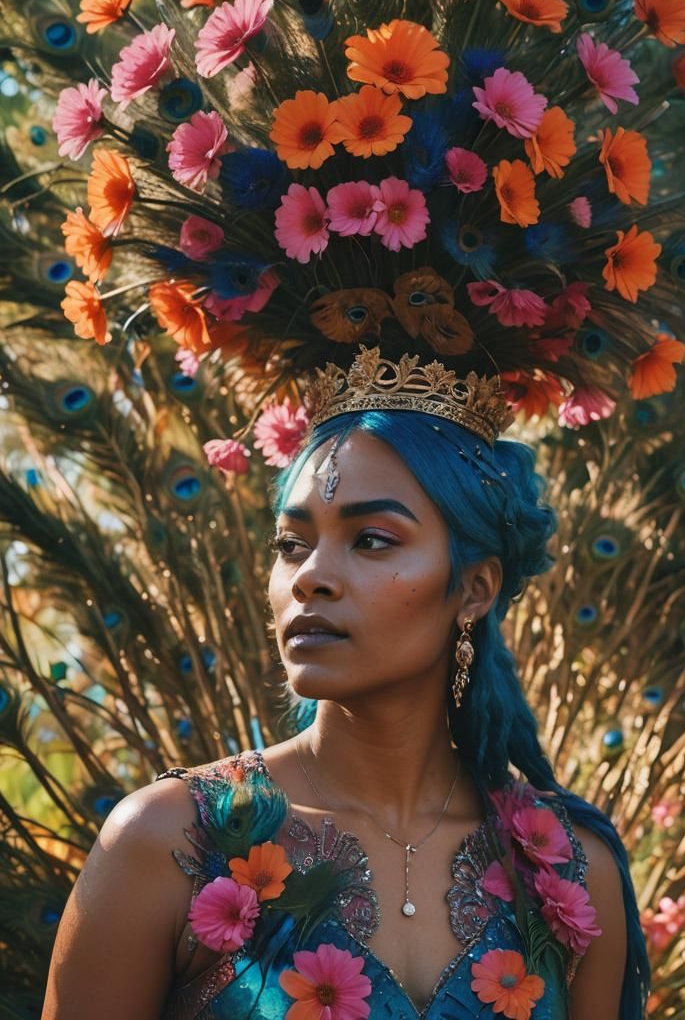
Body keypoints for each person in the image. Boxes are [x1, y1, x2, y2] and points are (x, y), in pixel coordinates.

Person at [42, 395, 650, 1019]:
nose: (310, 576)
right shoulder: (169, 844)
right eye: (291, 543)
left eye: (371, 540)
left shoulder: (572, 873)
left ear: (474, 589)